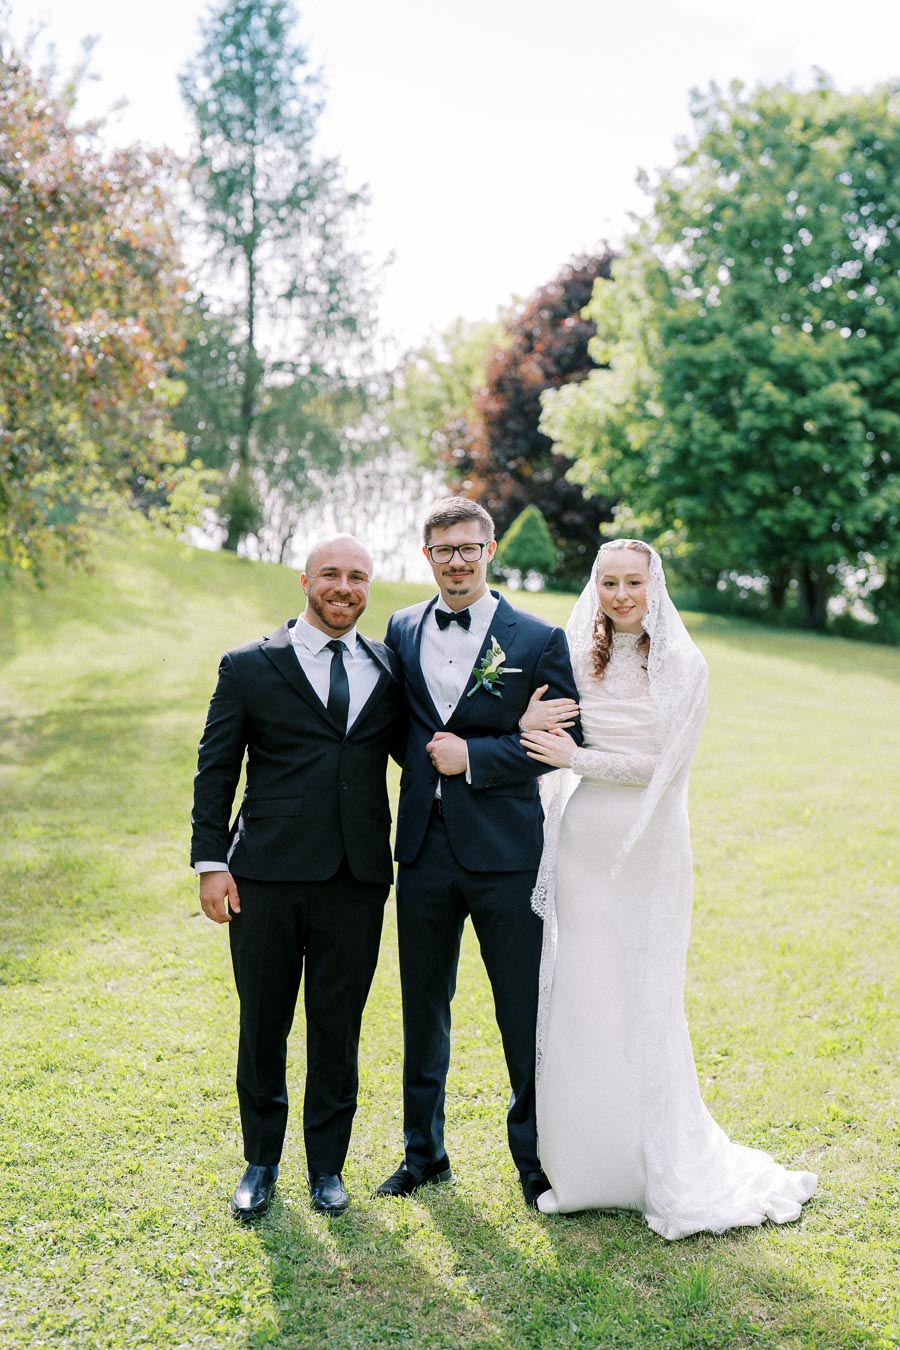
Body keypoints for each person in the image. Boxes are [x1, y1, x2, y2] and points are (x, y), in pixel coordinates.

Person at [519, 538, 817, 1238]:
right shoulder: (573, 652)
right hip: (582, 839)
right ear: (595, 588)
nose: (621, 595)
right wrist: (533, 728)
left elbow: (668, 766)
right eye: (609, 583)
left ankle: (649, 1162)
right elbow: (538, 723)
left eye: (633, 583)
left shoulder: (686, 664)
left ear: (655, 587)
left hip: (648, 844)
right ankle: (585, 1166)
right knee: (581, 989)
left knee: (640, 993)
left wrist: (579, 757)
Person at [374, 497, 582, 1209]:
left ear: (490, 550)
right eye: (443, 550)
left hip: (506, 854)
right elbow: (392, 723)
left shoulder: (536, 638)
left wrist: (481, 755)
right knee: (423, 1006)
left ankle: (536, 1159)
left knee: (521, 1010)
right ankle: (423, 1154)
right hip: (423, 852)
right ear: (426, 555)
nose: (456, 561)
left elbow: (561, 744)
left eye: (469, 548)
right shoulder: (400, 628)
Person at [190, 535, 404, 1221]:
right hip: (265, 875)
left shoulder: (387, 667)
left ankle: (327, 1168)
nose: (345, 588)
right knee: (264, 1023)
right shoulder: (250, 666)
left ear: (369, 589)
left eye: (359, 578)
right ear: (305, 580)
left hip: (357, 877)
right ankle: (260, 1162)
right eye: (333, 575)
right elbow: (216, 769)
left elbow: (430, 746)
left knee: (338, 1027)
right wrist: (211, 862)